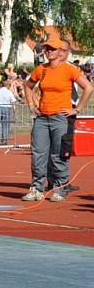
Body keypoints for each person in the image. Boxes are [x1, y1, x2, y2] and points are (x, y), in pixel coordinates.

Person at [22, 38, 92, 201]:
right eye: (46, 49)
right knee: (38, 153)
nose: (49, 52)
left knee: (58, 154)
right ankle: (36, 188)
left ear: (60, 51)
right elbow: (28, 86)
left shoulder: (70, 70)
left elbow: (88, 87)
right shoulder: (41, 69)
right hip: (42, 118)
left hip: (60, 117)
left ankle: (60, 188)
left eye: (52, 49)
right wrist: (31, 104)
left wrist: (77, 109)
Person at [0, 79, 17, 145]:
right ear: (8, 85)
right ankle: (4, 140)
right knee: (6, 125)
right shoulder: (9, 92)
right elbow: (13, 102)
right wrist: (14, 112)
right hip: (7, 109)